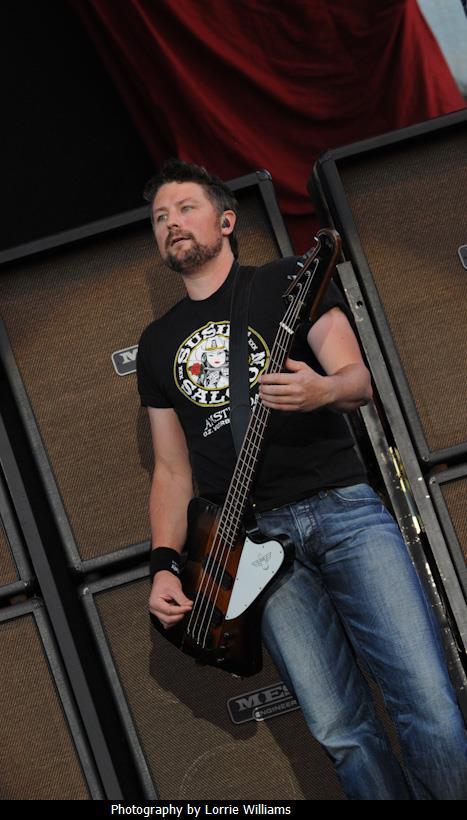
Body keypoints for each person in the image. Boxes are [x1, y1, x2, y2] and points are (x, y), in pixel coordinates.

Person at [136, 159, 467, 801]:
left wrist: (321, 390)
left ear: (225, 221)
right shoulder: (157, 343)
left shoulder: (290, 278)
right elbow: (172, 469)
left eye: (185, 208)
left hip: (343, 513)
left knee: (427, 701)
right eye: (160, 217)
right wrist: (164, 566)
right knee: (340, 730)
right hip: (251, 543)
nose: (171, 222)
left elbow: (357, 380)